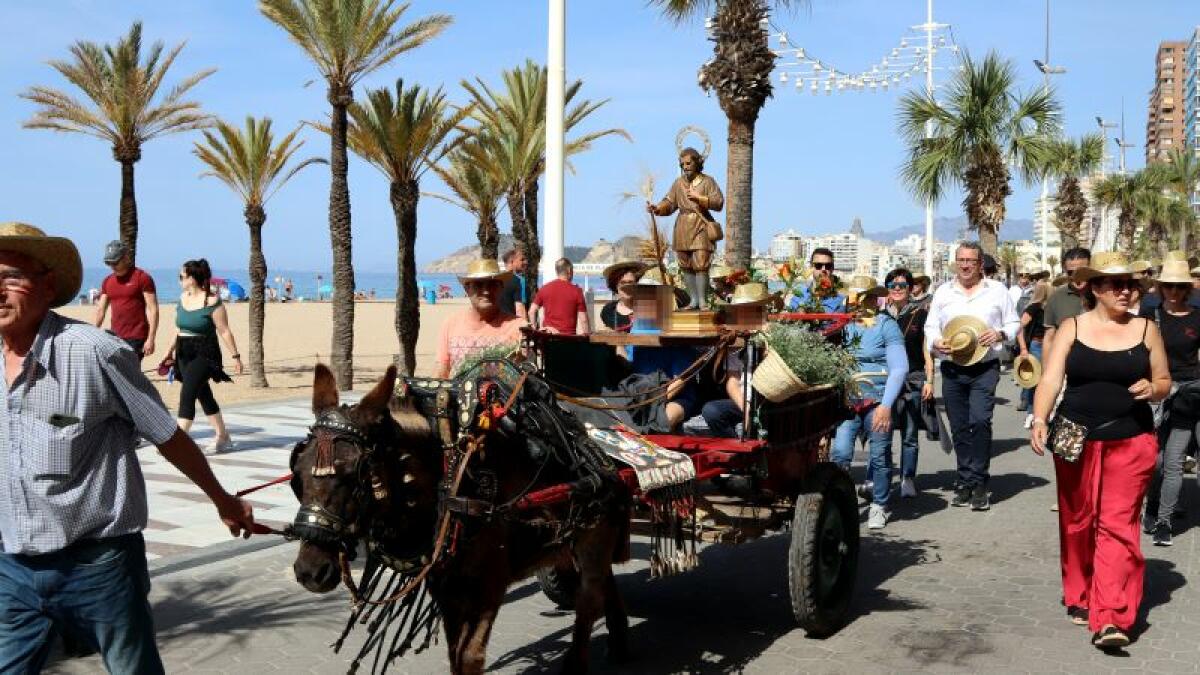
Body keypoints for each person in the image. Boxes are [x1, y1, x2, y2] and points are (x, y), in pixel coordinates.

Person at [0, 222, 255, 673]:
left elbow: (166, 434)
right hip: (13, 568)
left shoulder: (95, 353)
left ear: (48, 285)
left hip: (100, 567)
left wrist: (223, 500)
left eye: (11, 277)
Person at [1030, 251, 1170, 649]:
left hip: (1132, 440)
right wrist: (1040, 419)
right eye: (1115, 284)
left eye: (1131, 284)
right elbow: (1051, 379)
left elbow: (1163, 380)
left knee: (1118, 526)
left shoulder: (1147, 329)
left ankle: (1111, 616)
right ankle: (1080, 592)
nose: (1126, 291)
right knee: (1077, 521)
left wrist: (1152, 389)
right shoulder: (1072, 327)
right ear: (1095, 288)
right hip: (1075, 437)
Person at [924, 241, 1019, 511]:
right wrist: (936, 342)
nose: (965, 265)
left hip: (984, 368)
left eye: (971, 261)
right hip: (953, 367)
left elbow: (1013, 323)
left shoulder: (997, 291)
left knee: (980, 421)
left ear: (980, 264)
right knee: (959, 427)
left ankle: (979, 481)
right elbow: (931, 327)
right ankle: (964, 480)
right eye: (961, 260)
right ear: (956, 262)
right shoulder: (944, 292)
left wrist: (1001, 334)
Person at [831, 276, 907, 529]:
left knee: (879, 456)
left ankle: (879, 505)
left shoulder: (887, 325)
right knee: (840, 453)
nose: (864, 301)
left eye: (869, 296)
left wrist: (886, 406)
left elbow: (899, 368)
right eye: (861, 296)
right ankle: (839, 503)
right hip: (848, 402)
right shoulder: (845, 325)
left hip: (877, 401)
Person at [1140, 259, 1200, 546]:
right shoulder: (1149, 315)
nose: (1174, 291)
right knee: (1157, 462)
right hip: (1154, 396)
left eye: (1179, 286)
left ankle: (1164, 522)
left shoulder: (1197, 317)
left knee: (1174, 460)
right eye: (1169, 286)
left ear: (1187, 288)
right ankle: (1151, 508)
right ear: (1160, 288)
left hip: (1188, 396)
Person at [162, 259, 243, 455]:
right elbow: (178, 328)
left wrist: (236, 356)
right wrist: (168, 351)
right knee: (203, 394)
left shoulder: (212, 301)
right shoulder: (182, 298)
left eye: (181, 276)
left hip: (205, 352)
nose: (179, 279)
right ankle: (223, 436)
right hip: (183, 351)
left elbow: (224, 331)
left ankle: (178, 442)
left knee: (188, 393)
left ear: (192, 278)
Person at [647, 147, 725, 310]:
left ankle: (703, 301)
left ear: (697, 163)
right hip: (682, 226)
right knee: (685, 263)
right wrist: (658, 208)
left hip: (700, 225)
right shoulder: (678, 183)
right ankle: (693, 300)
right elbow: (669, 202)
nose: (685, 167)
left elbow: (718, 202)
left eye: (689, 163)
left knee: (701, 262)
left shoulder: (707, 181)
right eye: (682, 164)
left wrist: (700, 198)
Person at [700, 282, 776, 438]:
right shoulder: (736, 340)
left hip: (768, 401)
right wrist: (747, 408)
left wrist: (768, 345)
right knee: (711, 410)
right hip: (744, 399)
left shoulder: (774, 337)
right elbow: (732, 381)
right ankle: (734, 445)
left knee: (762, 420)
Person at [884, 268, 933, 498]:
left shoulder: (920, 315)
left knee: (910, 433)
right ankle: (880, 478)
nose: (896, 289)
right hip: (885, 381)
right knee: (881, 432)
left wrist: (929, 380)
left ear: (910, 289)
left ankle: (908, 478)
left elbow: (927, 351)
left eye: (902, 285)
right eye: (892, 285)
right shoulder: (880, 316)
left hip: (913, 379)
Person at [436, 259, 525, 378]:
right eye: (478, 284)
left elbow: (527, 372)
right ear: (467, 289)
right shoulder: (450, 324)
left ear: (501, 288)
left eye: (492, 284)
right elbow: (442, 370)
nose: (486, 291)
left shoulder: (519, 327)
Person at [92, 240, 158, 359]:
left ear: (126, 257)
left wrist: (151, 338)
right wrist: (93, 332)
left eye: (115, 262)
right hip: (114, 336)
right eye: (109, 262)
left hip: (137, 337)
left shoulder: (142, 278)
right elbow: (101, 310)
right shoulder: (107, 281)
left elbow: (153, 309)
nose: (112, 266)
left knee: (129, 374)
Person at [1043, 247, 1092, 363]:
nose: (1077, 276)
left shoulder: (1103, 294)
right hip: (1066, 368)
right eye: (1071, 272)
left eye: (1082, 271)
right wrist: (1045, 372)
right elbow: (1049, 336)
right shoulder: (1056, 297)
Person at [1015, 281, 1050, 421]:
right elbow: (1019, 326)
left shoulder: (1048, 307)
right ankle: (1031, 410)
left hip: (1048, 344)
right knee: (1035, 379)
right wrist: (1023, 348)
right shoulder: (1034, 308)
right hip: (1037, 344)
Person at [529, 258, 589, 335]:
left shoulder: (544, 288)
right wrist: (588, 336)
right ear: (569, 271)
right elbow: (583, 319)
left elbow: (531, 311)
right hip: (567, 338)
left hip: (547, 337)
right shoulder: (577, 291)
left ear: (557, 272)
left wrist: (534, 329)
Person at [788, 247, 848, 313]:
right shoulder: (799, 296)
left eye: (828, 266)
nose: (823, 269)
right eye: (818, 265)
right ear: (811, 267)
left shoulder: (841, 301)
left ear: (832, 268)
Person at [600, 260, 648, 332]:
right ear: (615, 285)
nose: (627, 286)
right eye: (623, 283)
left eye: (630, 282)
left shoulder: (648, 309)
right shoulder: (608, 310)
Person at [498, 248, 530, 319]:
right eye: (522, 260)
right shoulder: (520, 281)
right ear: (512, 262)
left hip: (497, 325)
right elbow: (520, 310)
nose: (526, 262)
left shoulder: (497, 280)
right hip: (512, 325)